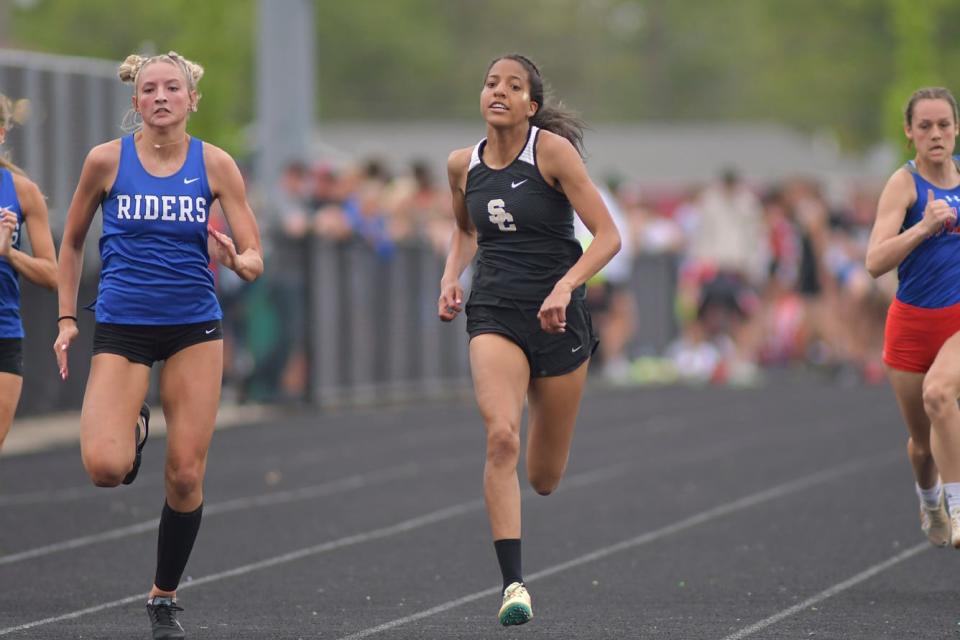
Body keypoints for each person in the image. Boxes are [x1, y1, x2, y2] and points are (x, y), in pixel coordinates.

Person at [54, 52, 263, 639]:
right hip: (122, 325)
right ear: (137, 101)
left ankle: (164, 595)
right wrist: (68, 319)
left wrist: (234, 259)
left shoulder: (217, 165)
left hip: (193, 327)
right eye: (151, 89)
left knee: (185, 475)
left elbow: (254, 257)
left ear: (192, 99)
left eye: (174, 87)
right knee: (105, 467)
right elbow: (71, 244)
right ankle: (135, 427)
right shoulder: (106, 161)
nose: (162, 97)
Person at [438, 54, 620, 626]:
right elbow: (466, 231)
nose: (499, 92)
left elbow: (609, 236)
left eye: (513, 87)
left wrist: (566, 286)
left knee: (542, 477)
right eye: (491, 82)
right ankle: (513, 585)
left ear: (531, 106)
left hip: (559, 320)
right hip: (495, 312)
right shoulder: (460, 165)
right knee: (501, 438)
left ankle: (546, 421)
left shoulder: (551, 152)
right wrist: (450, 278)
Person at [866, 87, 960, 550]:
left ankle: (959, 506)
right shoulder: (904, 185)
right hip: (910, 325)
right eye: (925, 126)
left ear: (957, 129)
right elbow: (874, 262)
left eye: (944, 124)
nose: (936, 134)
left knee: (941, 394)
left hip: (957, 322)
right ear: (909, 133)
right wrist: (924, 227)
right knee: (921, 446)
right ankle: (930, 503)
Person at [0, 94, 57, 451]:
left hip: (3, 335)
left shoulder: (22, 192)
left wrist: (8, 254)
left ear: (2, 133)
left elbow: (52, 274)